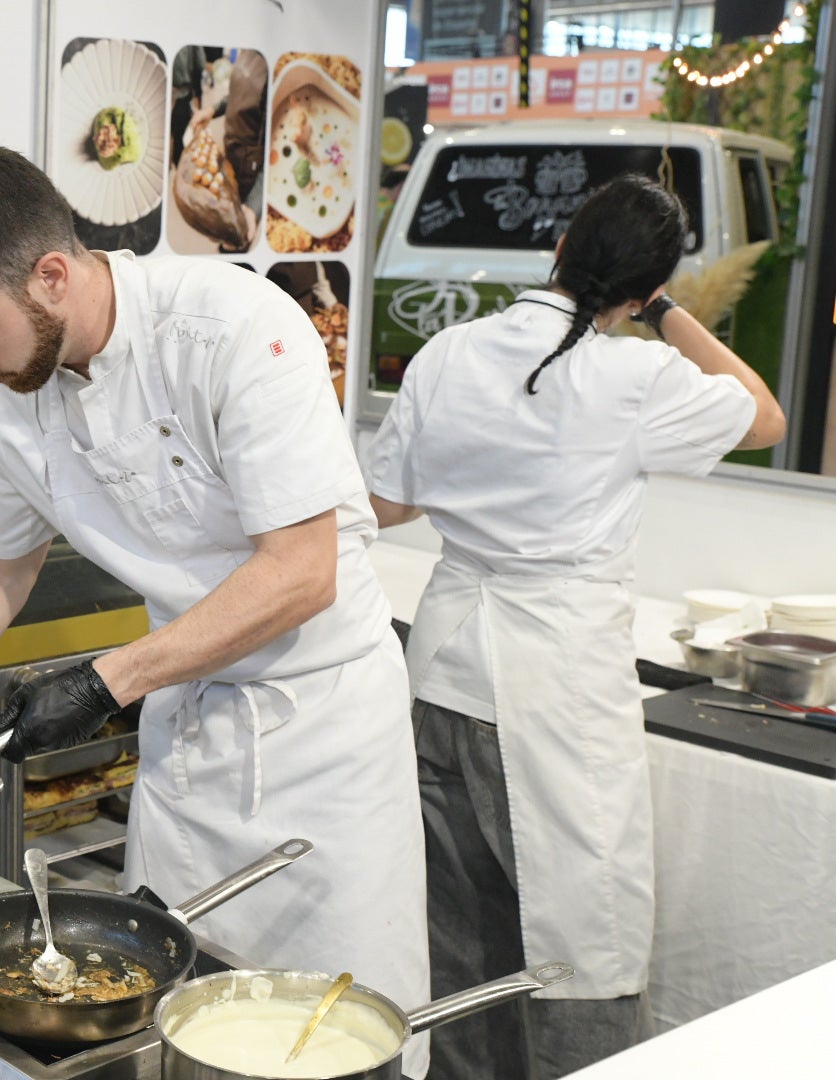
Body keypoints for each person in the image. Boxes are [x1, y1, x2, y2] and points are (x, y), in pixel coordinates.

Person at [0, 143, 430, 1077]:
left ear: (52, 277)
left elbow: (303, 572)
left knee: (331, 1027)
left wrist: (109, 679)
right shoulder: (22, 393)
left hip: (323, 741)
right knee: (179, 1012)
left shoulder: (235, 329)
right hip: (189, 731)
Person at [365, 174, 785, 1080]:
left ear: (559, 248)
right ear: (641, 291)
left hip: (439, 673)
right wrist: (665, 312)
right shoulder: (635, 373)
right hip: (553, 692)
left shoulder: (449, 351)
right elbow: (764, 413)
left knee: (454, 939)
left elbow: (386, 502)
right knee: (581, 935)